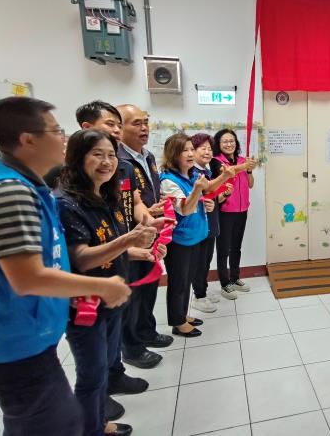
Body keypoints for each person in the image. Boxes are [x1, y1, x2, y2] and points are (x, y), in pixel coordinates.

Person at [0, 97, 130, 436]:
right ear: (28, 139)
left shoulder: (30, 187)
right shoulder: (12, 191)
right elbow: (26, 277)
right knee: (54, 423)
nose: (63, 138)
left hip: (33, 334)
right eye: (56, 131)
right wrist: (101, 286)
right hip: (18, 340)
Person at [58, 129, 163, 436]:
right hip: (86, 303)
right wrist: (130, 239)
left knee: (105, 360)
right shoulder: (67, 203)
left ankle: (99, 418)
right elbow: (81, 258)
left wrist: (139, 250)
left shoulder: (107, 195)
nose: (107, 162)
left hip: (113, 295)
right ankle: (92, 426)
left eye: (111, 155)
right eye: (97, 155)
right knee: (91, 374)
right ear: (77, 158)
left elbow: (110, 244)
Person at [160, 134, 234, 337]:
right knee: (179, 282)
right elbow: (185, 209)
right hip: (180, 240)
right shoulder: (168, 180)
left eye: (191, 149)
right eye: (185, 150)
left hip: (195, 237)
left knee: (187, 280)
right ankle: (178, 322)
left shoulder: (191, 174)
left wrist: (225, 177)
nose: (191, 153)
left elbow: (208, 187)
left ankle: (183, 315)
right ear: (173, 154)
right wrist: (198, 191)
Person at [116, 104, 172, 369]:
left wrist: (155, 213)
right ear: (119, 128)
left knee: (149, 286)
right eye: (136, 123)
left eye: (145, 122)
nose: (144, 128)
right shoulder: (117, 161)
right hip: (129, 236)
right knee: (132, 293)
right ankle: (132, 348)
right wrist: (147, 215)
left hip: (150, 231)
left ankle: (147, 331)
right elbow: (126, 203)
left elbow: (144, 197)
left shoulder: (147, 156)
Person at [190, 133, 233, 313]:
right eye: (203, 148)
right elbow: (192, 201)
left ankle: (203, 291)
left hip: (210, 224)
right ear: (193, 151)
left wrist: (224, 195)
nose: (207, 152)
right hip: (200, 226)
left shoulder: (206, 172)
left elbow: (213, 199)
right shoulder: (192, 173)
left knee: (206, 261)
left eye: (209, 149)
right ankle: (199, 296)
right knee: (200, 262)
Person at [213, 129, 257, 300]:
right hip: (225, 211)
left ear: (236, 143)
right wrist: (244, 166)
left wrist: (249, 170)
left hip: (242, 210)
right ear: (219, 144)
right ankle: (225, 284)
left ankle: (235, 277)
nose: (229, 144)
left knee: (236, 247)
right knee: (223, 249)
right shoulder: (216, 161)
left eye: (232, 141)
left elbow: (250, 184)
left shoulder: (242, 161)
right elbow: (228, 172)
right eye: (225, 141)